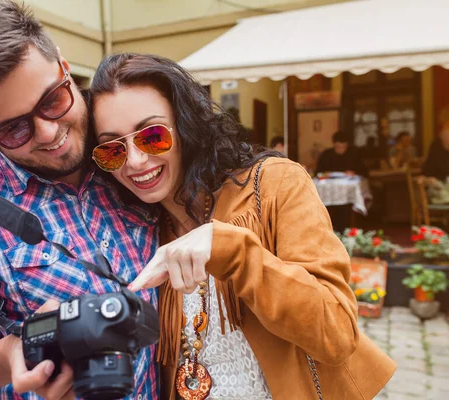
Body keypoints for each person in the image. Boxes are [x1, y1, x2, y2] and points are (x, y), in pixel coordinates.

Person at [89, 53, 396, 400]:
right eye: (113, 148)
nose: (136, 160)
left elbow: (337, 334)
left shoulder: (275, 184)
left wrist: (232, 250)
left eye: (152, 135)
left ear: (186, 125)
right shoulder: (139, 231)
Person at [0, 2, 160, 399]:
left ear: (63, 65)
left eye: (52, 100)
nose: (46, 132)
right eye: (12, 129)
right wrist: (7, 353)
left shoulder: (133, 147)